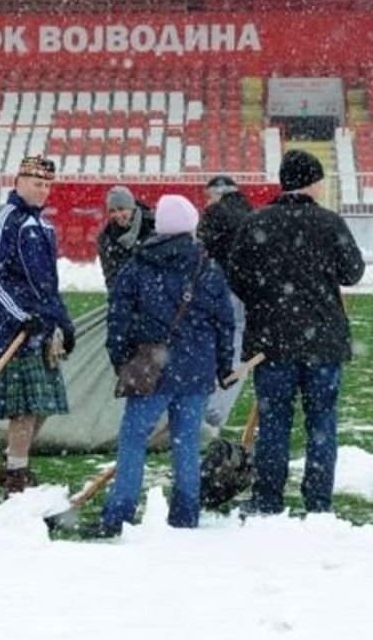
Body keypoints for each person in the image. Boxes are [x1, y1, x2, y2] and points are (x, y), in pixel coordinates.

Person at [84, 195, 235, 538]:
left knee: (133, 440)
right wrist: (223, 364)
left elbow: (118, 317)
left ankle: (119, 515)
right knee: (186, 443)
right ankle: (185, 514)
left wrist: (122, 360)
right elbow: (224, 322)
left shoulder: (138, 265)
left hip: (151, 369)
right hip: (196, 370)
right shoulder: (207, 267)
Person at [228, 150, 364, 517]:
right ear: (313, 182)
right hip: (323, 342)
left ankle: (268, 499)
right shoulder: (329, 222)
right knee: (321, 423)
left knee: (274, 423)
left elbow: (236, 276)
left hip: (271, 344)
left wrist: (267, 300)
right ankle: (318, 503)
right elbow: (353, 273)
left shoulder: (258, 222)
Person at [0, 155, 76, 497]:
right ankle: (16, 475)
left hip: (45, 330)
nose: (43, 191)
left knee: (44, 404)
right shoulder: (3, 221)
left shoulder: (44, 226)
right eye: (37, 183)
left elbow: (50, 284)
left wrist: (63, 321)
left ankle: (12, 464)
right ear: (18, 182)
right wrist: (20, 316)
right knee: (24, 407)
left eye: (48, 185)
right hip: (14, 330)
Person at [197, 175, 254, 427]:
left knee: (211, 345)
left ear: (218, 193)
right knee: (237, 350)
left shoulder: (215, 213)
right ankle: (218, 410)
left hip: (220, 287)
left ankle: (206, 410)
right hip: (249, 290)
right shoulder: (251, 213)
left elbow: (199, 247)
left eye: (209, 196)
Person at [96, 185, 155, 290]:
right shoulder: (106, 238)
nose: (118, 215)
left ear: (131, 207)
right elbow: (111, 278)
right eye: (112, 211)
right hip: (128, 297)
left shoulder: (153, 225)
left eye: (121, 209)